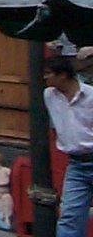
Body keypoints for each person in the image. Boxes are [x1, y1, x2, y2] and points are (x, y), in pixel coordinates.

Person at [43, 55, 93, 237]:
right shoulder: (49, 95)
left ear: (62, 75)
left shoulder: (90, 96)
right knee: (70, 216)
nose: (44, 78)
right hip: (76, 164)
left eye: (48, 74)